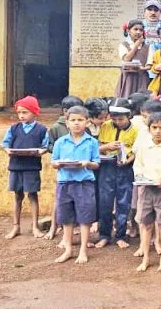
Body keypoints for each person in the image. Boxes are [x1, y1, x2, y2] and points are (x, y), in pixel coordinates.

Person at [50, 106, 101, 264]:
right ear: (67, 123)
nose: (76, 123)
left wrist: (87, 163)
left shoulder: (92, 142)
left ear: (87, 122)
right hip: (65, 183)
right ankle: (68, 249)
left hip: (84, 183)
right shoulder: (60, 142)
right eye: (73, 120)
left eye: (80, 120)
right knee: (66, 217)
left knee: (85, 217)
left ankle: (83, 250)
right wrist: (58, 164)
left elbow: (96, 163)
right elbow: (54, 162)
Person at [132, 112, 161, 273]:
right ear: (149, 129)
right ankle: (146, 259)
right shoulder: (144, 147)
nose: (158, 131)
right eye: (154, 127)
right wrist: (145, 178)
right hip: (146, 188)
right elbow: (138, 167)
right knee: (145, 224)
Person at [1, 95, 49, 240]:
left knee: (32, 195)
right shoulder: (14, 128)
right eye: (19, 112)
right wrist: (8, 150)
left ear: (34, 113)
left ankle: (35, 227)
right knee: (17, 196)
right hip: (16, 166)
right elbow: (5, 143)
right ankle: (16, 226)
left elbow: (45, 146)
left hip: (32, 167)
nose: (21, 116)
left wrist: (41, 151)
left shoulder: (41, 129)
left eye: (25, 112)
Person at [96, 103, 138, 249]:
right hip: (106, 166)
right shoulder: (106, 126)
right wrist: (106, 147)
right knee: (105, 202)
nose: (117, 122)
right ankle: (104, 235)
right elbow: (97, 146)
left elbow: (136, 151)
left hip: (125, 169)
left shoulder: (136, 130)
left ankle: (120, 235)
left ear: (129, 116)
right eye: (114, 119)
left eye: (121, 119)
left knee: (123, 202)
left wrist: (127, 161)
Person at [44, 96, 83, 241]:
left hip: (80, 170)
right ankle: (54, 227)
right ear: (65, 111)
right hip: (63, 170)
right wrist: (60, 154)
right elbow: (48, 145)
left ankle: (74, 228)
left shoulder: (82, 127)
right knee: (59, 199)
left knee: (78, 199)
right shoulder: (56, 128)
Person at [116, 19, 150, 98]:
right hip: (128, 78)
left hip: (142, 78)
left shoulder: (148, 47)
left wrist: (142, 68)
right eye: (135, 29)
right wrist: (136, 45)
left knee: (141, 99)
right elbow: (126, 59)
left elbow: (149, 65)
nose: (138, 32)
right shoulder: (123, 45)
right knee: (127, 98)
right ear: (128, 31)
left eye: (141, 30)